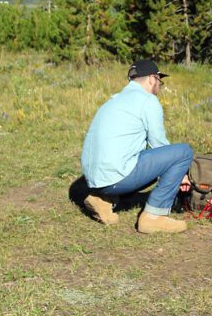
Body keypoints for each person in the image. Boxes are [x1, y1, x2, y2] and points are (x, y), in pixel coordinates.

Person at [80, 59, 194, 233]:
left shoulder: (114, 99)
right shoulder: (148, 100)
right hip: (114, 178)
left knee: (140, 156)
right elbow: (159, 145)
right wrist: (181, 174)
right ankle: (154, 216)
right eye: (159, 81)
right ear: (151, 79)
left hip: (93, 180)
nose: (159, 86)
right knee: (183, 152)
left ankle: (102, 199)